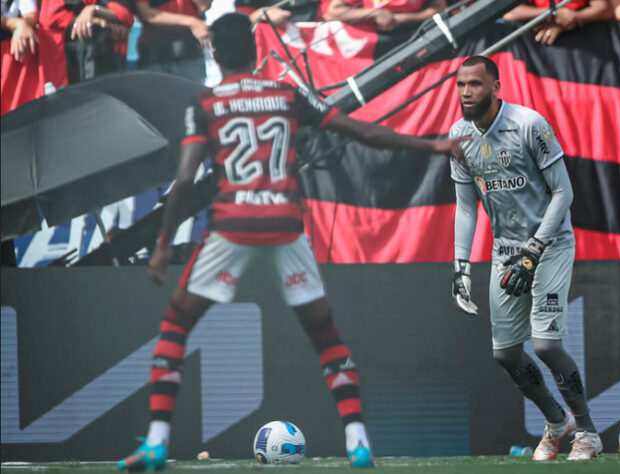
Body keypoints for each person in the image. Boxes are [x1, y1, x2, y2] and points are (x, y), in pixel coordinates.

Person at [117, 12, 467, 472]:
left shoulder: (205, 104)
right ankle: (358, 442)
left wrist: (163, 244)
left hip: (233, 226)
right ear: (257, 51)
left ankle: (158, 442)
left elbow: (185, 180)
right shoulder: (286, 94)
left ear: (216, 54)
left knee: (177, 327)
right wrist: (433, 146)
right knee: (324, 335)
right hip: (285, 225)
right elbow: (361, 131)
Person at [448, 55, 601, 461]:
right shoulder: (458, 136)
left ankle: (586, 431)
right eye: (461, 84)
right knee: (506, 354)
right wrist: (461, 266)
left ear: (496, 87)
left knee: (547, 345)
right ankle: (557, 422)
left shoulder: (530, 125)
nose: (466, 92)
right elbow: (466, 208)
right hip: (506, 252)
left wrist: (534, 250)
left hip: (549, 246)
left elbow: (563, 193)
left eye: (476, 84)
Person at [134, 0, 212, 82]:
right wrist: (191, 21)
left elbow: (204, 5)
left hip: (189, 49)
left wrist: (192, 22)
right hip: (155, 49)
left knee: (192, 91)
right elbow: (145, 13)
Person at [503, 0, 613, 45]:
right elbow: (509, 12)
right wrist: (554, 12)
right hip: (535, 49)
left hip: (587, 43)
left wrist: (573, 18)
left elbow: (604, 10)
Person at [322, 0, 446, 32]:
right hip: (373, 50)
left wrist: (402, 19)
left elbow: (440, 8)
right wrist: (375, 14)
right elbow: (333, 12)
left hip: (415, 42)